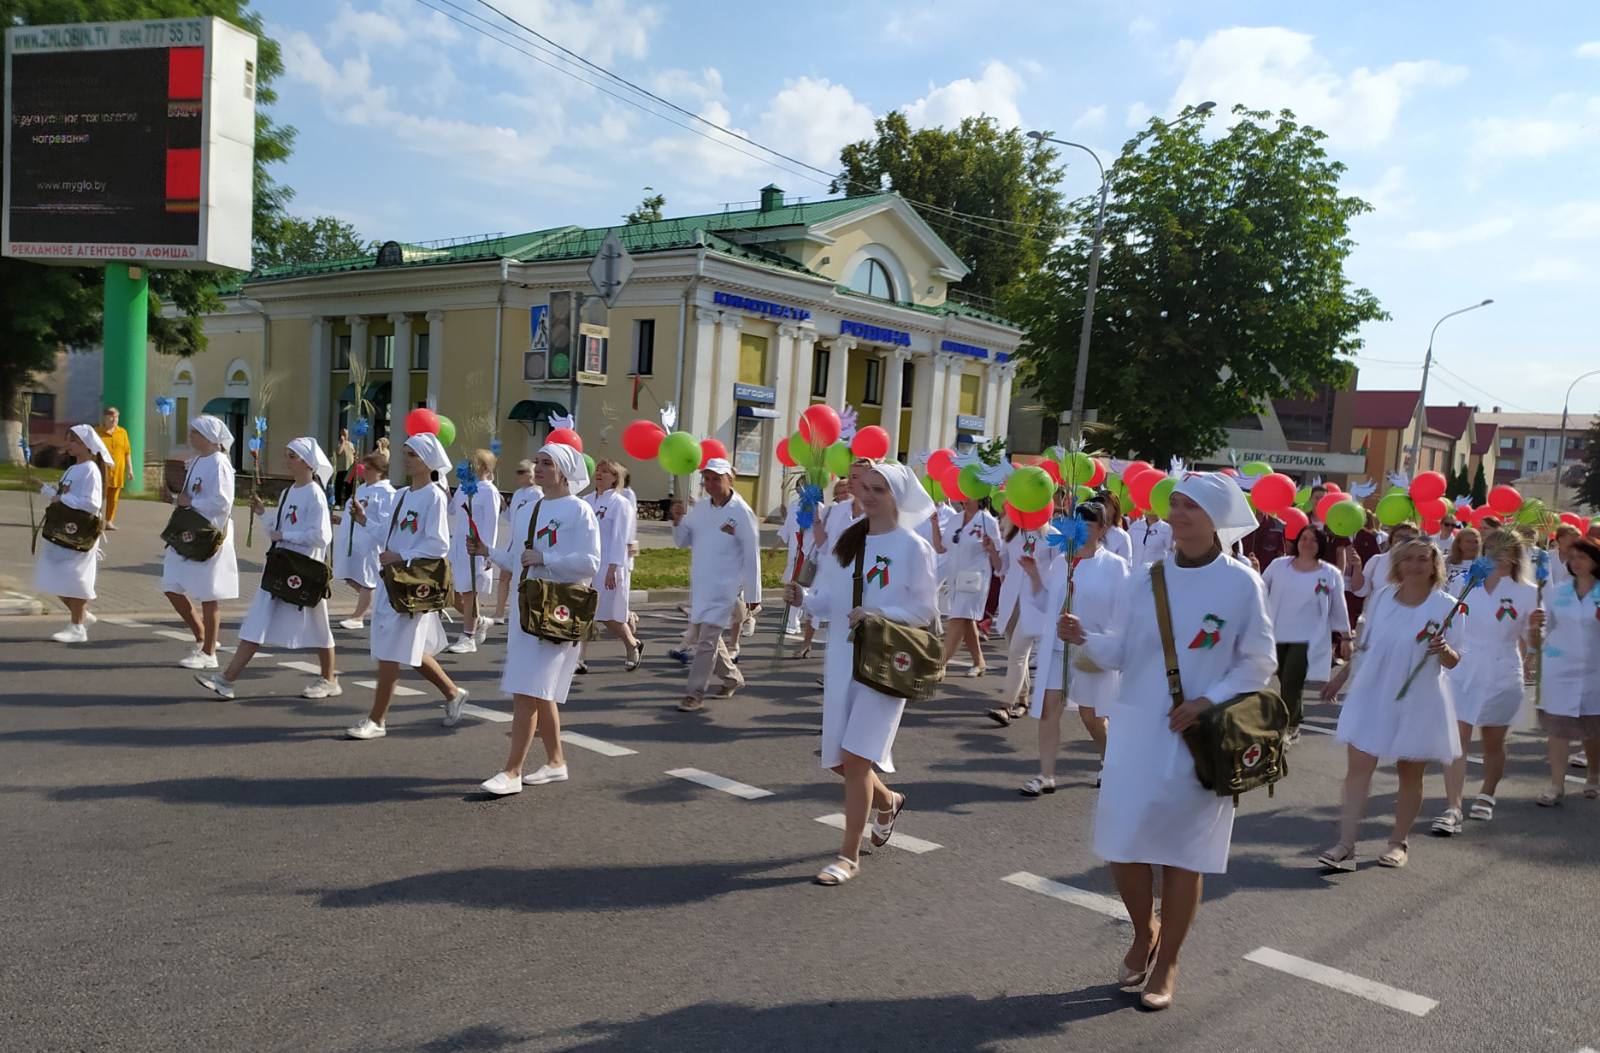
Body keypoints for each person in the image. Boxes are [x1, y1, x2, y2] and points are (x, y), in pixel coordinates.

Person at [1060, 473, 1273, 1010]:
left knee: (1183, 855)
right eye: (1175, 505)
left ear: (1217, 518)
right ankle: (1143, 930)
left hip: (1199, 737)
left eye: (1191, 507)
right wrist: (1084, 638)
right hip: (1136, 729)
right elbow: (1126, 651)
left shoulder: (1242, 583)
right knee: (1122, 844)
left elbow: (1259, 661)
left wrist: (1209, 699)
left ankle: (1169, 960)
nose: (1178, 515)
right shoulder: (1145, 577)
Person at [787, 461, 938, 886]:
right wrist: (803, 597)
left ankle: (848, 855)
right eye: (865, 487)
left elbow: (925, 613)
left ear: (898, 497)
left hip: (887, 664)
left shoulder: (913, 547)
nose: (868, 495)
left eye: (879, 489)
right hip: (843, 660)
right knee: (839, 759)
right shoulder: (847, 538)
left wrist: (879, 613)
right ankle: (888, 800)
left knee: (855, 761)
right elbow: (830, 600)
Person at [1318, 539, 1463, 872]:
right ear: (1397, 564)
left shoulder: (1448, 606)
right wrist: (1341, 677)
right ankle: (1345, 844)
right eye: (1407, 559)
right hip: (1373, 692)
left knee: (1409, 774)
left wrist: (1442, 650)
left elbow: (1455, 660)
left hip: (1419, 696)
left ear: (1434, 564)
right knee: (1358, 770)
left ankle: (1398, 842)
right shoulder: (1382, 597)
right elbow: (1367, 646)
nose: (1414, 565)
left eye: (1422, 559)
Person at [473, 443, 602, 795]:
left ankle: (512, 772)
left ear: (564, 472)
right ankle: (556, 761)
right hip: (525, 609)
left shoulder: (579, 511)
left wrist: (545, 557)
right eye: (538, 462)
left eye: (547, 464)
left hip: (556, 612)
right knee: (539, 691)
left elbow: (590, 562)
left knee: (526, 690)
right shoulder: (531, 507)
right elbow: (520, 559)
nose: (539, 468)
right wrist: (488, 552)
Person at [344, 433, 470, 740]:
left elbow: (439, 544)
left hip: (414, 584)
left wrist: (404, 556)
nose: (405, 459)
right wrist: (363, 521)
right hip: (392, 582)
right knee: (408, 651)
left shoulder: (435, 496)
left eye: (411, 454)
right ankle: (453, 693)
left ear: (427, 461)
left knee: (390, 651)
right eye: (405, 453)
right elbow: (387, 535)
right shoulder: (401, 495)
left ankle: (377, 720)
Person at [196, 438, 341, 700]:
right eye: (287, 455)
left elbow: (321, 536)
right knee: (258, 620)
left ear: (309, 463)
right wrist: (263, 514)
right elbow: (278, 529)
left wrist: (286, 535)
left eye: (293, 456)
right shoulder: (288, 492)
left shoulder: (315, 495)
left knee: (319, 625)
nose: (287, 460)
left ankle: (329, 678)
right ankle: (226, 679)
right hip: (281, 567)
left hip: (303, 570)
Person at [1024, 500, 1128, 794]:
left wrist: (1103, 641)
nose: (1081, 528)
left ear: (1103, 528)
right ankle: (1046, 775)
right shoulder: (1062, 561)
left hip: (1091, 647)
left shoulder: (1115, 567)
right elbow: (1047, 604)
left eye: (1088, 524)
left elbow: (1123, 613)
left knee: (1091, 715)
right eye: (1077, 522)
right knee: (1049, 709)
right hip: (1057, 647)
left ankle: (1110, 762)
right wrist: (1034, 577)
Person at [1435, 528, 1536, 828]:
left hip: (1502, 670)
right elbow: (1449, 620)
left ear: (1517, 554)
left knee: (1493, 743)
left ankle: (1487, 793)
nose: (1498, 552)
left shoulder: (1527, 591)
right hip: (1463, 668)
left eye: (1506, 547)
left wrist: (1537, 632)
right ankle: (1453, 806)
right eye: (1492, 546)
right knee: (1457, 739)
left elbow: (1533, 638)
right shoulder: (1467, 583)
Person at [671, 458, 762, 712]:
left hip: (726, 588)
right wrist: (677, 521)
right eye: (707, 479)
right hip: (701, 586)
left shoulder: (742, 513)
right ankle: (733, 678)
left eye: (716, 479)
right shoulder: (700, 509)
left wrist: (754, 594)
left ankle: (694, 693)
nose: (710, 484)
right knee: (705, 637)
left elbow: (752, 555)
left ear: (729, 479)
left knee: (707, 641)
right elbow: (682, 541)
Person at [162, 415, 241, 670]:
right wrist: (174, 499)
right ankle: (201, 634)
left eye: (195, 432)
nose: (190, 436)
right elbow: (189, 496)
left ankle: (209, 653)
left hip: (210, 535)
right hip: (188, 530)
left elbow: (222, 502)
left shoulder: (220, 463)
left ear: (209, 436)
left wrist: (189, 503)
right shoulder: (197, 462)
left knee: (209, 594)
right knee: (170, 584)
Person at [1261, 523, 1351, 739]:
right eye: (1304, 538)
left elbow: (1339, 606)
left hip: (1308, 639)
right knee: (1285, 679)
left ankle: (1289, 727)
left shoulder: (1330, 573)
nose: (1308, 543)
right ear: (1297, 542)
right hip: (1277, 632)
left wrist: (1346, 637)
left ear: (1320, 545)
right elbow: (1260, 589)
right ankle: (1295, 717)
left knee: (1292, 680)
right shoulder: (1279, 565)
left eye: (1313, 540)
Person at [1528, 537, 1600, 804]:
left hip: (1595, 671)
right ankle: (1556, 785)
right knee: (1558, 730)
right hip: (1560, 668)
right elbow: (1545, 632)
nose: (1576, 562)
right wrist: (1536, 625)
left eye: (1582, 557)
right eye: (1572, 557)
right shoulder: (1557, 592)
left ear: (1595, 559)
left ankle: (1593, 775)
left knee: (1593, 731)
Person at [36, 425, 111, 642]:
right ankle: (82, 615)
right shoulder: (73, 468)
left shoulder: (90, 469)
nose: (68, 444)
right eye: (68, 440)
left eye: (73, 441)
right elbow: (66, 494)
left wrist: (62, 499)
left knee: (76, 578)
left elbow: (92, 503)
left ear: (86, 446)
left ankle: (77, 627)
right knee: (55, 576)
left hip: (79, 533)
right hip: (63, 530)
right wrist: (49, 492)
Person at [987, 514, 1058, 726]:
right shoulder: (1014, 533)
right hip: (1011, 601)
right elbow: (1002, 567)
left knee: (1017, 654)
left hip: (1036, 602)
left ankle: (1005, 706)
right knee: (1016, 654)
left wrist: (1037, 575)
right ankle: (1022, 701)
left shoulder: (1052, 536)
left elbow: (1059, 573)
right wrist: (991, 550)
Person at [580, 459, 641, 672]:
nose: (600, 473)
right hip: (587, 563)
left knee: (607, 615)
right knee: (584, 612)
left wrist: (613, 568)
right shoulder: (586, 501)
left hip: (609, 565)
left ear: (615, 478)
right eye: (598, 469)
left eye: (606, 471)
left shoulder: (620, 503)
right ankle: (580, 658)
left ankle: (632, 644)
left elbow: (619, 538)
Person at [446, 449, 502, 654]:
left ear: (485, 468)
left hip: (476, 549)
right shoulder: (464, 488)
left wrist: (488, 551)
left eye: (474, 463)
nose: (469, 467)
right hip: (459, 547)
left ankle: (468, 636)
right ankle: (480, 621)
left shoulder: (489, 491)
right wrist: (443, 484)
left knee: (469, 593)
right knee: (456, 594)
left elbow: (491, 523)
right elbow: (452, 509)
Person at [332, 451, 396, 630]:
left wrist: (365, 521)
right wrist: (340, 520)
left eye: (369, 469)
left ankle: (358, 616)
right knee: (350, 576)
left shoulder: (386, 493)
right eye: (363, 468)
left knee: (368, 579)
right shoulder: (361, 488)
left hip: (370, 544)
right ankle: (383, 602)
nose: (364, 471)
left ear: (380, 471)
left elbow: (385, 521)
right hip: (353, 542)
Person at [939, 495, 1001, 677]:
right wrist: (935, 524)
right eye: (963, 496)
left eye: (970, 496)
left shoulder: (988, 521)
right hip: (955, 578)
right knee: (966, 620)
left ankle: (939, 664)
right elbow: (941, 547)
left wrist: (989, 548)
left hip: (975, 579)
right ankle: (979, 662)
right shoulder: (955, 519)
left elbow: (998, 555)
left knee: (957, 618)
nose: (965, 500)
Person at [489, 460, 542, 624]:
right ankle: (499, 612)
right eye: (518, 472)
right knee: (505, 576)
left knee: (522, 579)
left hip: (526, 544)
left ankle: (523, 613)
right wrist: (504, 506)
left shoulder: (538, 494)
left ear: (532, 474)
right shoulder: (518, 493)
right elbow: (512, 518)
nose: (518, 475)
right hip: (513, 543)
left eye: (523, 472)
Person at [95, 407, 132, 531]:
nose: (114, 419)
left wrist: (130, 470)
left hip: (117, 472)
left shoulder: (123, 432)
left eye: (116, 417)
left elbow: (127, 452)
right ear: (105, 418)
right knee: (98, 497)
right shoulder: (97, 432)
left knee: (113, 499)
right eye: (111, 416)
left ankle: (109, 521)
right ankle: (95, 519)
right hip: (101, 471)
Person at [333, 428, 356, 505]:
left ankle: (347, 503)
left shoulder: (351, 444)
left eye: (346, 434)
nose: (345, 435)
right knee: (339, 486)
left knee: (349, 487)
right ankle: (338, 503)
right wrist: (342, 442)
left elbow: (353, 453)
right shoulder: (339, 444)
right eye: (343, 434)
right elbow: (338, 452)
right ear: (341, 434)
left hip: (350, 468)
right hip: (341, 468)